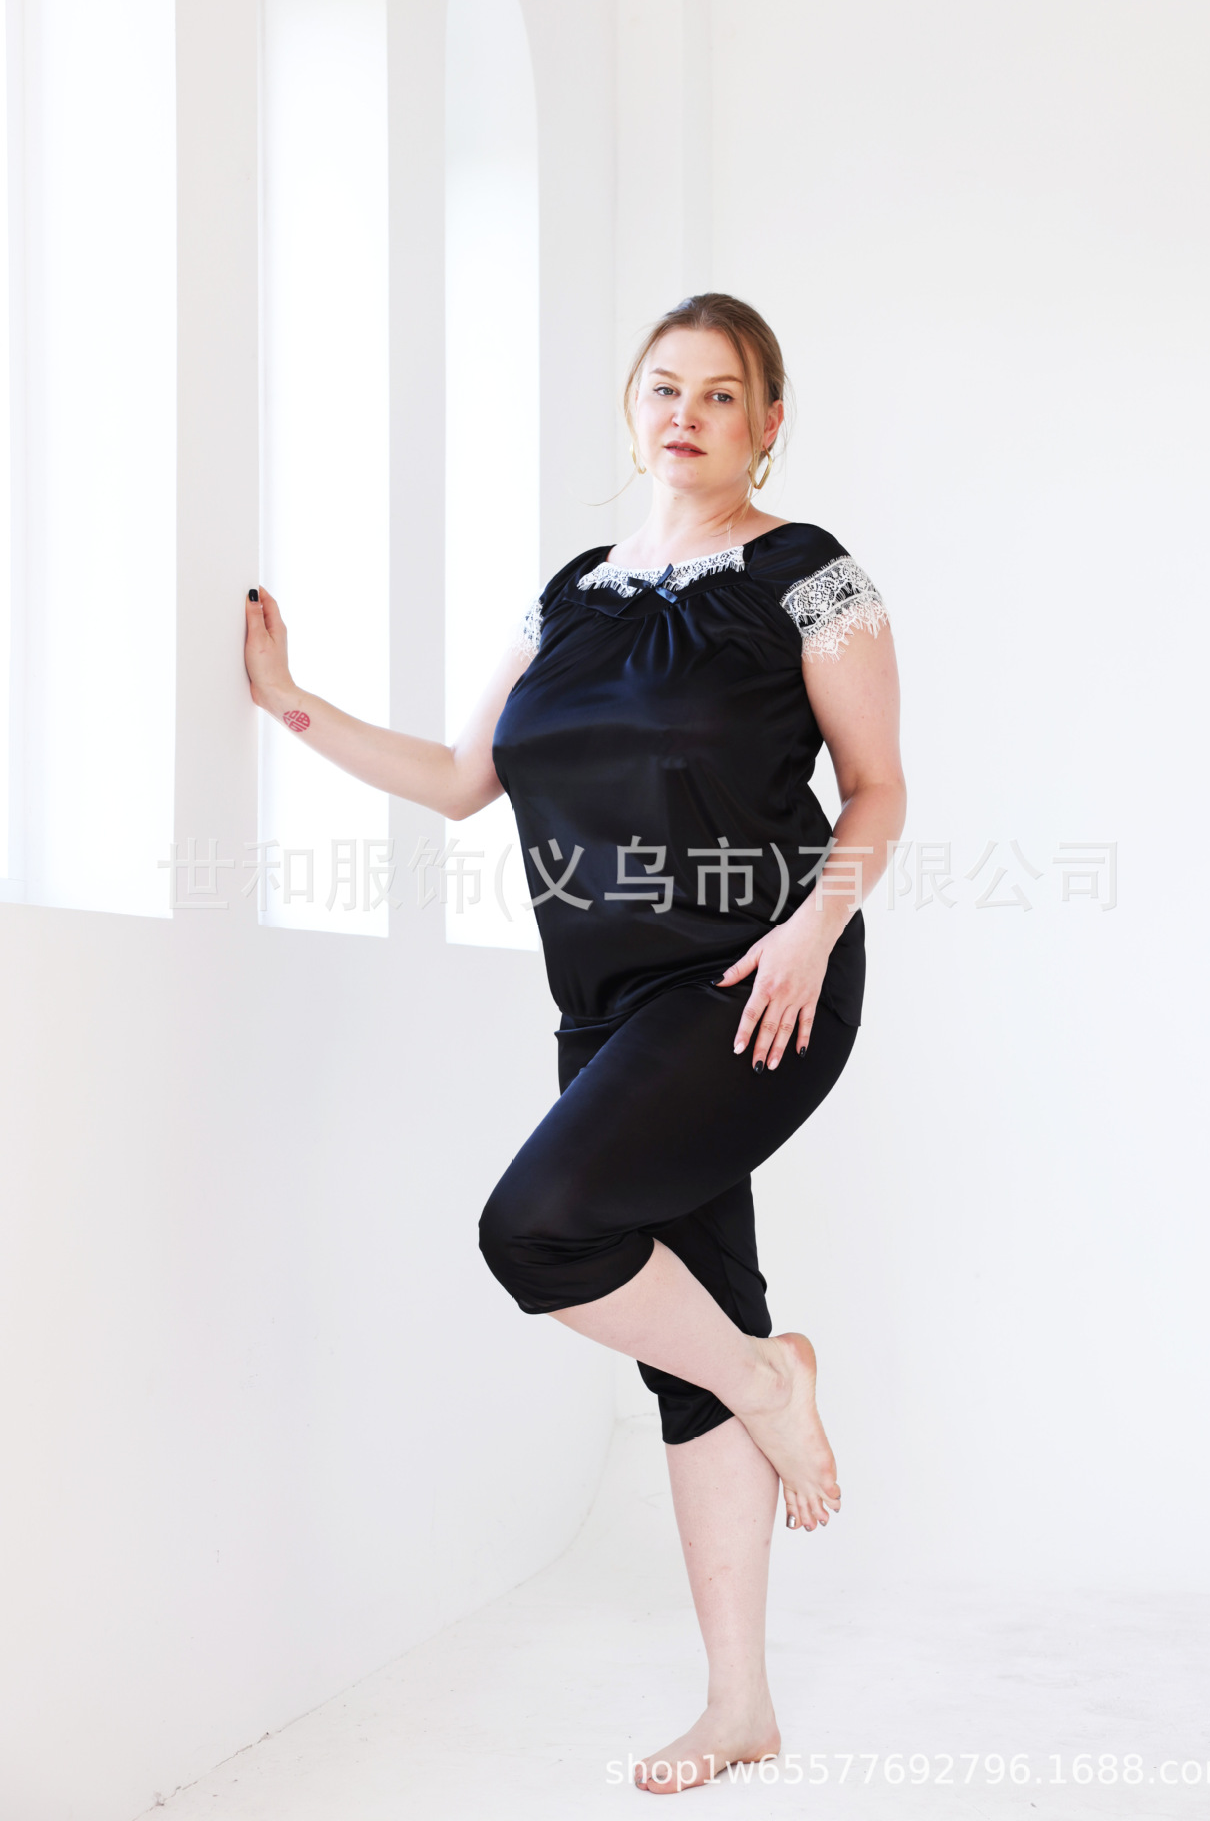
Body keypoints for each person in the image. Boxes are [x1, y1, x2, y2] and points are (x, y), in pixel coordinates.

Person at [243, 292, 906, 1795]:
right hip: (606, 1011)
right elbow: (463, 776)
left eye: (721, 395)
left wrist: (813, 930)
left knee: (536, 1231)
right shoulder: (573, 594)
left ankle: (771, 1382)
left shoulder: (810, 576)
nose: (687, 414)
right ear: (630, 407)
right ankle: (740, 1702)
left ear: (769, 424)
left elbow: (877, 787)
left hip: (756, 984)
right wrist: (292, 706)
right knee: (694, 1339)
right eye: (665, 387)